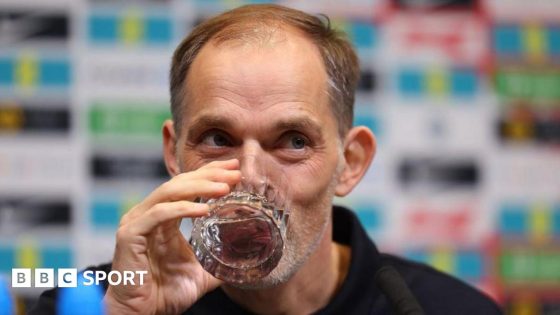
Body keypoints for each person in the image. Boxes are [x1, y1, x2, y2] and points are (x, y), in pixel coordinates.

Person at [31, 4, 503, 315]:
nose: (251, 177)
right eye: (217, 138)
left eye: (293, 141)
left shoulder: (444, 309)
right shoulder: (96, 302)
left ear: (351, 162)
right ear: (174, 154)